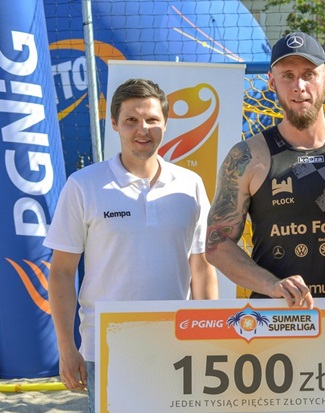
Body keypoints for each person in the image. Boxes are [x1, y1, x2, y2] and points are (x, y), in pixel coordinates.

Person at [45, 78, 218, 412]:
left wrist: (208, 333)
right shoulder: (83, 185)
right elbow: (62, 272)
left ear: (166, 123)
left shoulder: (190, 185)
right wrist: (67, 348)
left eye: (152, 119)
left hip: (177, 342)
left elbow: (201, 266)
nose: (143, 129)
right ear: (114, 124)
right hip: (107, 346)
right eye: (131, 120)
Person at [205, 32, 325, 307]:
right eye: (288, 75)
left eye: (309, 74)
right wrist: (271, 285)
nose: (299, 86)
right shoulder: (247, 156)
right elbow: (216, 244)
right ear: (272, 82)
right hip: (274, 314)